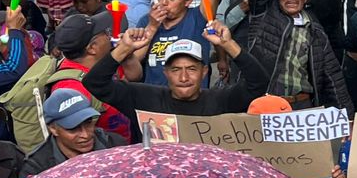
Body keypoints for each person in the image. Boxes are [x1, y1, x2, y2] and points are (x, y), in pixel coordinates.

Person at [83, 22, 268, 117]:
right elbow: (94, 83)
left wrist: (228, 45)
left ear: (204, 72)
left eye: (192, 69)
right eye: (176, 69)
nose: (184, 77)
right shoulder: (143, 98)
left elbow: (258, 83)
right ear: (166, 73)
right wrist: (124, 49)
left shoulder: (221, 100)